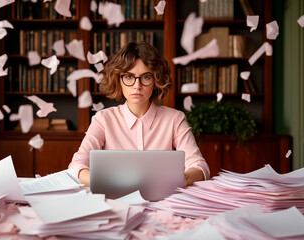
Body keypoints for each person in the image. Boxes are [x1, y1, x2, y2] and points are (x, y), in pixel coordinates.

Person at [68, 41, 210, 187]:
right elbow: (76, 167)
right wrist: (106, 183)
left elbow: (199, 166)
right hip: (115, 199)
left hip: (163, 201)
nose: (137, 86)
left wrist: (183, 179)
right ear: (119, 79)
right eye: (129, 77)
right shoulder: (103, 119)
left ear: (156, 80)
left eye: (146, 77)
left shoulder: (175, 119)